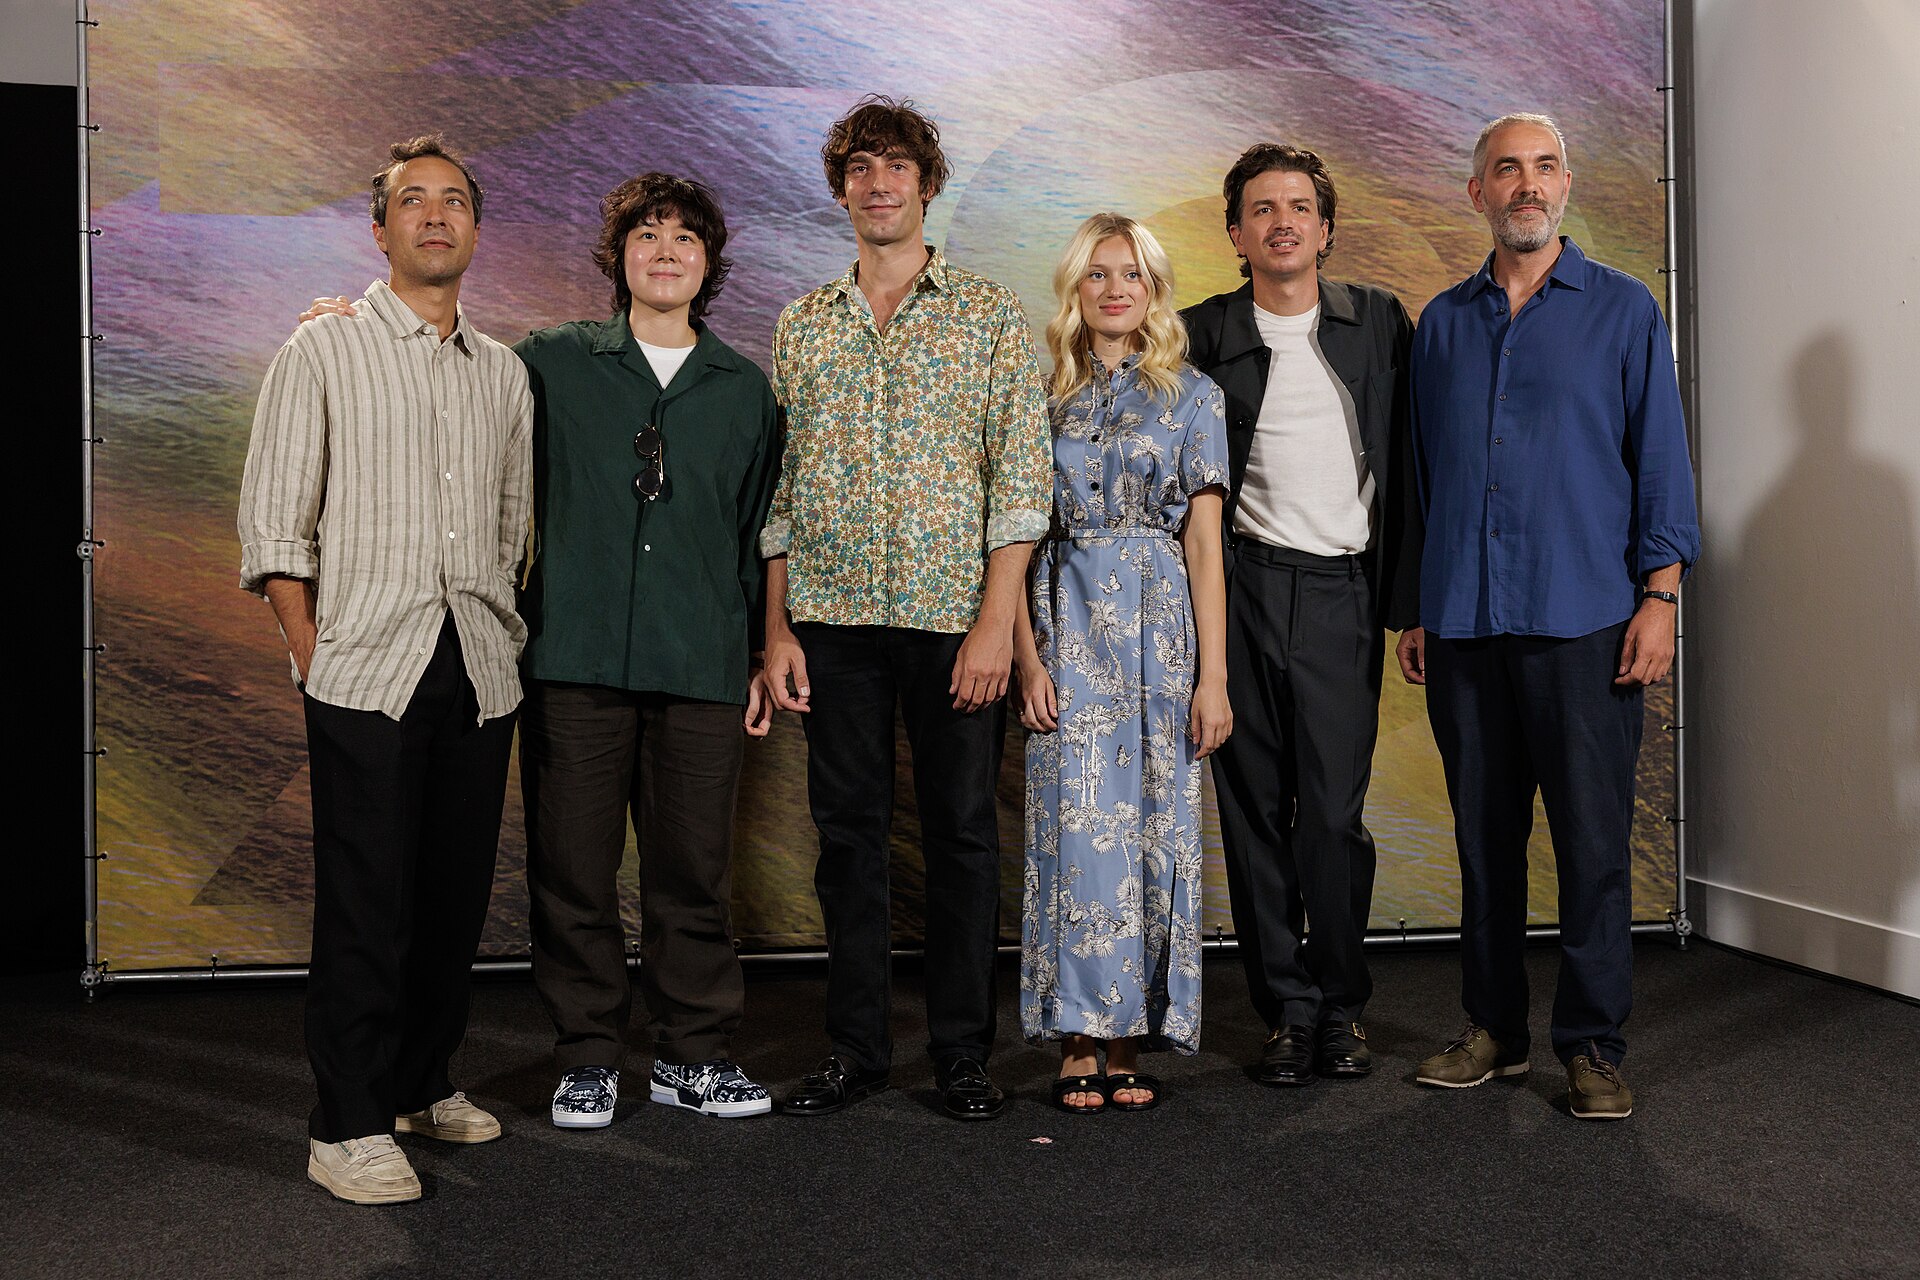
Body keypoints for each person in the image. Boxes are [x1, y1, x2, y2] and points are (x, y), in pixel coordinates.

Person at [298, 173, 784, 1127]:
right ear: (620, 258)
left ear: (710, 263)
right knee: (572, 871)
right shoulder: (548, 363)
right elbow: (445, 367)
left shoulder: (745, 391)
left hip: (702, 664)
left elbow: (760, 533)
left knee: (693, 872)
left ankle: (693, 1053)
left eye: (686, 238)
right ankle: (588, 1054)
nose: (666, 252)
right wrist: (344, 325)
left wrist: (765, 651)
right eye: (647, 235)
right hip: (572, 661)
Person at [239, 134, 532, 1204]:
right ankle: (347, 1122)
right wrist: (310, 649)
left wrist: (503, 633)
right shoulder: (321, 350)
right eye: (414, 200)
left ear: (475, 228)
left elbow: (515, 526)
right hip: (364, 667)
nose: (436, 215)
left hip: (478, 664)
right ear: (380, 229)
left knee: (452, 897)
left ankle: (420, 1082)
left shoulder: (504, 373)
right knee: (367, 902)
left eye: (455, 199)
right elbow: (275, 522)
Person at [1399, 113, 1699, 1120]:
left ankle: (1592, 1044)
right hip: (1464, 621)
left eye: (1542, 168)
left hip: (1587, 620)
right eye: (1505, 170)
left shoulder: (1623, 309)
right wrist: (1418, 609)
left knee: (1592, 843)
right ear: (1477, 192)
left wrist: (1661, 596)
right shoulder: (1442, 324)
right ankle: (1491, 1029)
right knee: (1484, 844)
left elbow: (1661, 464)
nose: (1525, 185)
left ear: (1565, 184)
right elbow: (1423, 479)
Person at [760, 95, 1052, 1121]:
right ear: (842, 189)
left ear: (927, 185)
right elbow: (783, 491)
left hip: (953, 619)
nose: (877, 182)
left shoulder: (987, 315)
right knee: (848, 837)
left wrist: (995, 624)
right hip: (832, 617)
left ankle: (964, 1051)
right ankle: (856, 1048)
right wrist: (776, 628)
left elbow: (1021, 482)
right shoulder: (802, 324)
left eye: (896, 166)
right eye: (860, 167)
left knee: (964, 834)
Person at [1180, 144, 1419, 1087]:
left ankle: (1341, 1005)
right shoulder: (1199, 334)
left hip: (1340, 594)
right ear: (1235, 234)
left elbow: (1415, 465)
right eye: (1261, 209)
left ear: (1326, 229)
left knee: (1331, 816)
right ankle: (1285, 1010)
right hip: (1237, 591)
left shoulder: (1379, 322)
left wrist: (1411, 607)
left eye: (1298, 208)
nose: (1281, 222)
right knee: (1252, 816)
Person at [1015, 214, 1230, 1114]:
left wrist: (1213, 677)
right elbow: (1015, 536)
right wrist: (1026, 660)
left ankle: (1130, 1033)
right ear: (1077, 287)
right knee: (1074, 833)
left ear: (1154, 289)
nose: (1115, 289)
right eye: (1099, 273)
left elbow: (1206, 545)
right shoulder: (1038, 398)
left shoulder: (1195, 397)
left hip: (1160, 635)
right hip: (1064, 625)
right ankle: (1076, 1035)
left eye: (1132, 274)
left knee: (1152, 828)